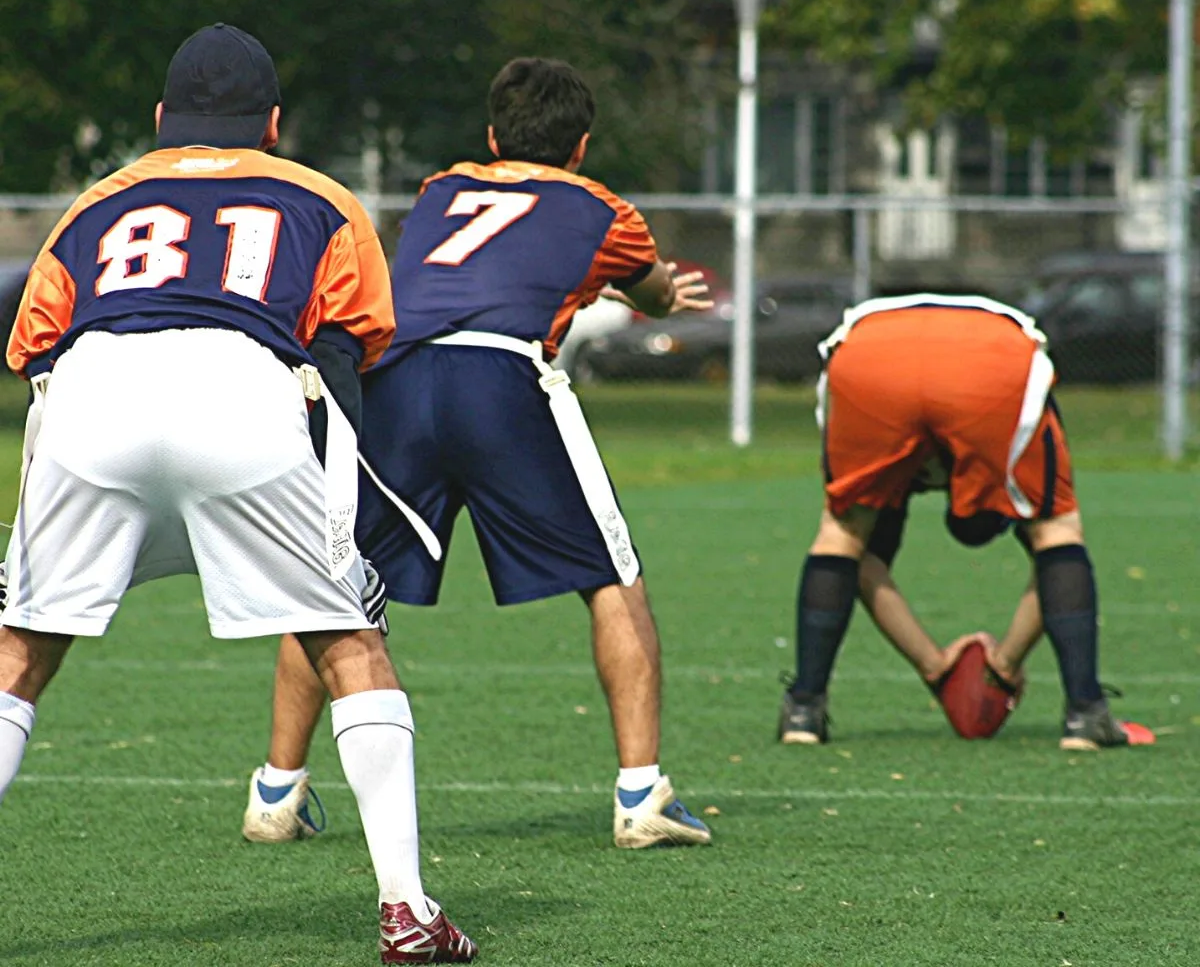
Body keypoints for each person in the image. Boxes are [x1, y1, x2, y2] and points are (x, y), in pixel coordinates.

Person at [0, 24, 476, 964]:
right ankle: (408, 911)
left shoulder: (95, 203)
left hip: (96, 396)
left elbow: (34, 351)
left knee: (19, 653)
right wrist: (329, 511)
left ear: (159, 119)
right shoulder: (322, 197)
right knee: (351, 647)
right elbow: (349, 350)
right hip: (240, 394)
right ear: (272, 121)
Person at [241, 57, 714, 851]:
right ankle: (642, 796)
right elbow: (650, 289)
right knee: (612, 577)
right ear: (583, 145)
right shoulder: (605, 209)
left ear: (494, 136)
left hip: (392, 380)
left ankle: (275, 794)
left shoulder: (442, 188)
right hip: (498, 374)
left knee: (334, 586)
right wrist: (662, 289)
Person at [776, 292, 1155, 751]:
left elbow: (864, 564)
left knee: (841, 535)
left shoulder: (901, 478)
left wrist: (934, 666)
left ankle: (804, 711)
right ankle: (1085, 713)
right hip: (989, 361)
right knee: (1055, 530)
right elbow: (1054, 547)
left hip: (870, 355)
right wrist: (1006, 663)